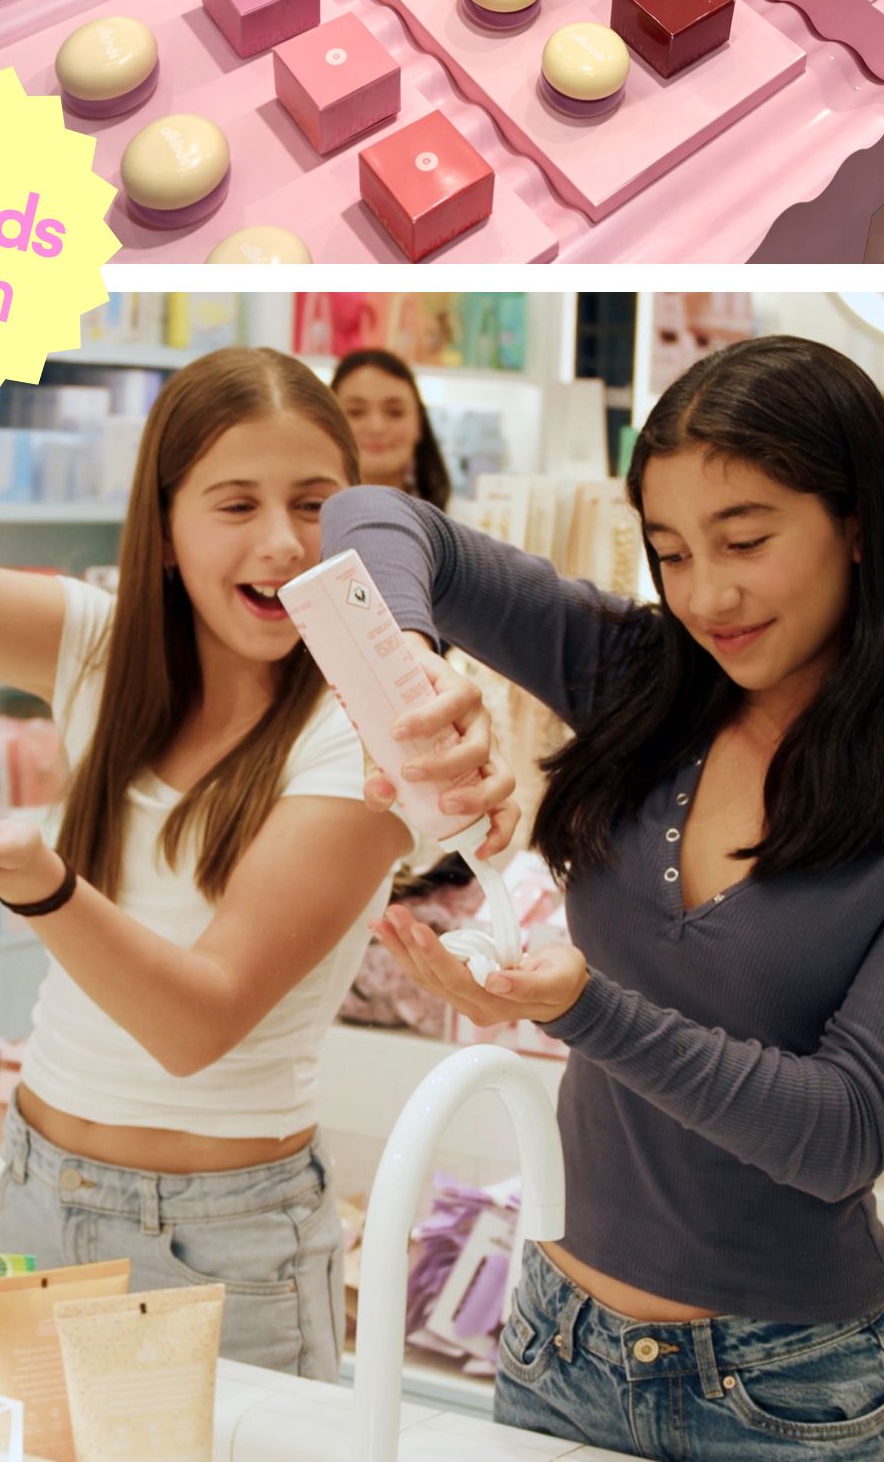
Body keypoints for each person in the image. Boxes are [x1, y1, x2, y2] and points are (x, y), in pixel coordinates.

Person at [324, 334, 884, 1459]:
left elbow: (842, 1135)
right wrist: (419, 668)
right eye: (670, 552)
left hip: (790, 1389)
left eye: (746, 540)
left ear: (858, 522)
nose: (705, 595)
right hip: (555, 1342)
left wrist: (584, 1010)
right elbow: (369, 522)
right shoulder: (644, 676)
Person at [0, 346, 514, 1376]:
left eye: (315, 504)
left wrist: (42, 885)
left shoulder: (369, 735)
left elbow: (197, 1020)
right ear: (165, 531)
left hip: (220, 1244)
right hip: (33, 1188)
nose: (282, 543)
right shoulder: (101, 654)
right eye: (235, 504)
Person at [333, 348, 453, 510]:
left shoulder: (458, 524)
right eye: (356, 412)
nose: (376, 427)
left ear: (419, 424)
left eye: (395, 413)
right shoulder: (299, 523)